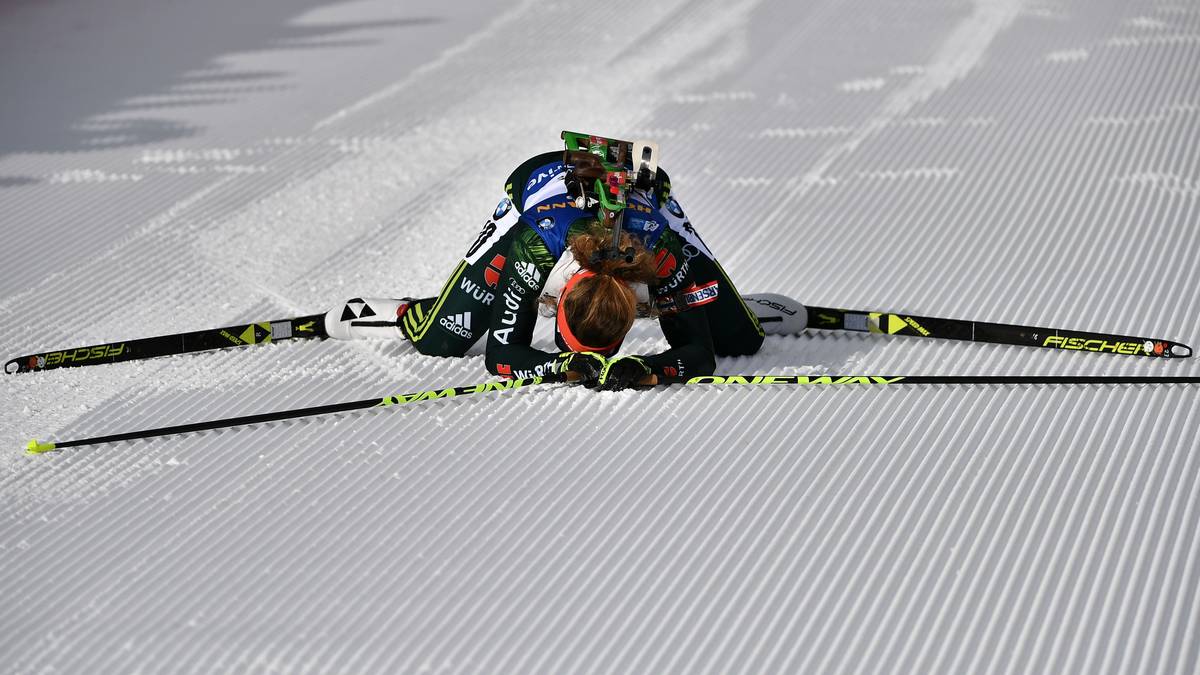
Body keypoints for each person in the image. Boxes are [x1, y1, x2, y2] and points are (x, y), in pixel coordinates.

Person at [324, 134, 770, 391]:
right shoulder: (535, 249)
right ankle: (409, 312)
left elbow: (701, 356)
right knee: (443, 338)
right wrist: (555, 365)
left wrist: (650, 368)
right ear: (557, 305)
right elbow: (501, 356)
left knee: (741, 341)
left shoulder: (659, 255)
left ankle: (728, 305)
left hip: (646, 203)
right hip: (540, 194)